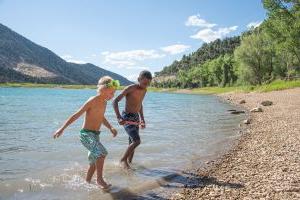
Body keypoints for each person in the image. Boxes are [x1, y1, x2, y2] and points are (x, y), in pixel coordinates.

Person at [53, 76, 119, 189]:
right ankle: (99, 180)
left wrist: (110, 127)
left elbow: (101, 117)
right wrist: (62, 128)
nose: (113, 96)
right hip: (86, 134)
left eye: (114, 93)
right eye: (111, 92)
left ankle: (87, 183)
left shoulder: (104, 103)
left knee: (94, 163)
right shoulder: (92, 100)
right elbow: (76, 115)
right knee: (102, 153)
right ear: (103, 89)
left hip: (95, 136)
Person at [113, 70, 152, 169]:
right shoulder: (130, 88)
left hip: (136, 117)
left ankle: (129, 163)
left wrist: (142, 119)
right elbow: (115, 101)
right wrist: (119, 117)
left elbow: (140, 105)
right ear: (139, 79)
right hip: (127, 117)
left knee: (132, 142)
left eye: (148, 84)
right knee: (137, 141)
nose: (145, 86)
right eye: (144, 83)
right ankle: (123, 160)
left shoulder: (144, 90)